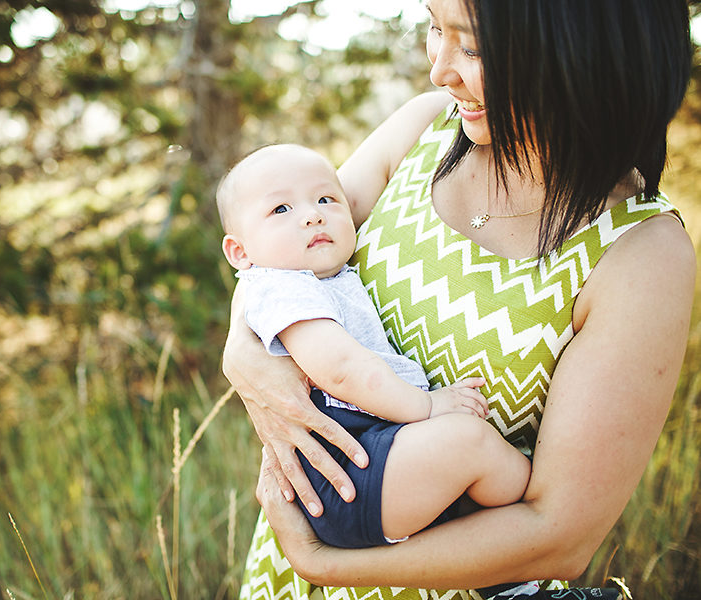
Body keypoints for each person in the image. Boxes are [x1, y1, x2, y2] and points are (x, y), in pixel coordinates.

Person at [222, 1, 695, 599]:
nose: (439, 70)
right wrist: (242, 357)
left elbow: (560, 534)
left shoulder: (639, 253)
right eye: (434, 28)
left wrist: (325, 565)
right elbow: (275, 256)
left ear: (578, 53)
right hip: (292, 556)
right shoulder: (424, 128)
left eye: (472, 48)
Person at [217, 143, 532, 549]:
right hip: (347, 465)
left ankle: (513, 582)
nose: (313, 214)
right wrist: (428, 407)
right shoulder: (282, 287)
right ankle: (532, 499)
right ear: (240, 252)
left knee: (467, 471)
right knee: (470, 443)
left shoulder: (321, 277)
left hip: (372, 457)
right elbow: (342, 370)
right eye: (281, 210)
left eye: (326, 198)